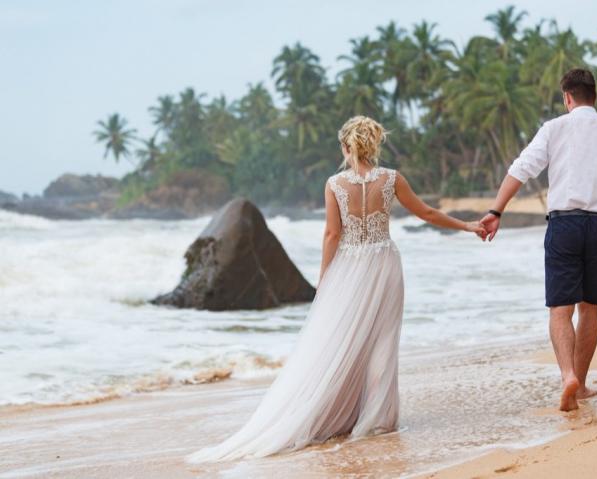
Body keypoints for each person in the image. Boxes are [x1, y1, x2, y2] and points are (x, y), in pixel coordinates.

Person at [188, 116, 485, 462]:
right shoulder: (391, 179)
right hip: (384, 265)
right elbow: (428, 213)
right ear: (373, 145)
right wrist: (467, 225)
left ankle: (340, 412)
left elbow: (331, 235)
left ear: (346, 147)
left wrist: (324, 281)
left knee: (341, 338)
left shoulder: (334, 184)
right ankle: (376, 418)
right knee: (382, 342)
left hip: (349, 268)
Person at [478, 69, 597, 412]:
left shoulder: (554, 128)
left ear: (567, 97)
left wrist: (496, 211)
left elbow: (520, 170)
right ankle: (581, 384)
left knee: (560, 309)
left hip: (564, 225)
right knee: (590, 308)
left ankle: (567, 375)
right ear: (594, 97)